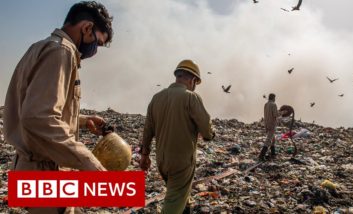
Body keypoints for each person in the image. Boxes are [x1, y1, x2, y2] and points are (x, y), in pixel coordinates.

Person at [3, 1, 113, 213]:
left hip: (30, 167)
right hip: (45, 171)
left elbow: (35, 106)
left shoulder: (41, 46)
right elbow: (38, 118)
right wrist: (88, 162)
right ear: (87, 28)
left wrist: (81, 120)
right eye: (97, 43)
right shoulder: (61, 52)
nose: (94, 50)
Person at [139, 59, 215, 214]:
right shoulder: (191, 97)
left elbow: (147, 131)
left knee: (177, 193)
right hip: (182, 162)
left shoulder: (157, 98)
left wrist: (144, 156)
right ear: (193, 80)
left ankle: (185, 209)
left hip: (162, 161)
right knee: (174, 201)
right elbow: (206, 128)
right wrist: (210, 135)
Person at [259, 93, 280, 161]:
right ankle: (261, 155)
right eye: (274, 98)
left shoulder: (266, 104)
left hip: (267, 124)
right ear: (273, 98)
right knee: (268, 140)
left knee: (273, 139)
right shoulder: (273, 104)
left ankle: (273, 153)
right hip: (272, 124)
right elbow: (276, 114)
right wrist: (283, 112)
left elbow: (265, 114)